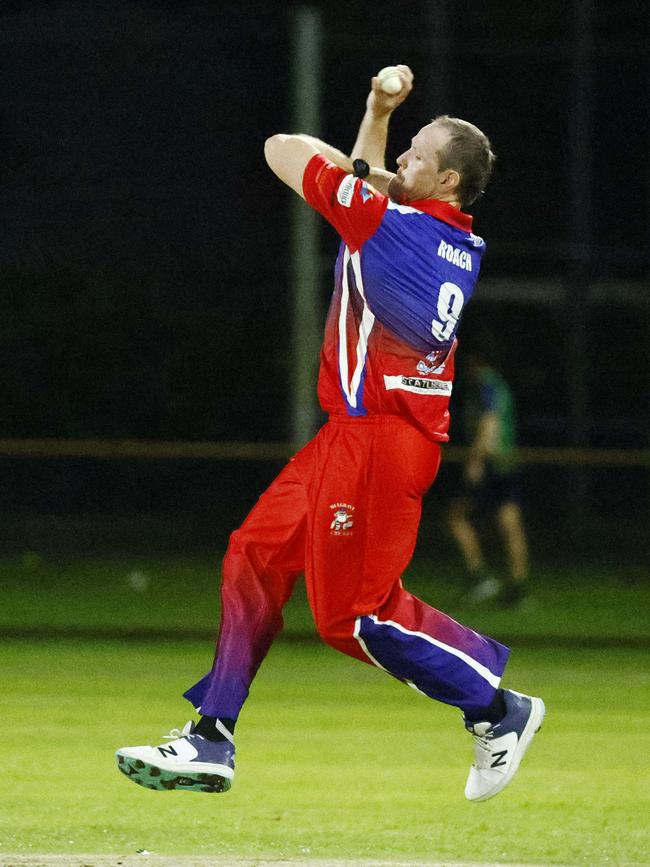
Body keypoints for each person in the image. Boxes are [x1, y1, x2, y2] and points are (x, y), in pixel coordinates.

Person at [116, 65, 544, 802]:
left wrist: (365, 165)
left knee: (355, 617)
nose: (400, 159)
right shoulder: (448, 238)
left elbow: (283, 148)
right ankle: (210, 737)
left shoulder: (388, 222)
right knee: (253, 554)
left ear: (444, 183)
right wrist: (377, 113)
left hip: (379, 441)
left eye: (416, 154)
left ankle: (500, 709)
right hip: (356, 434)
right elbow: (371, 183)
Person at [448, 344, 530, 607]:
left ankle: (480, 576)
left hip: (491, 462)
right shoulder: (501, 384)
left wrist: (475, 460)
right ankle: (518, 587)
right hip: (507, 462)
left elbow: (490, 422)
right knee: (510, 525)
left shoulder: (485, 384)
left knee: (456, 516)